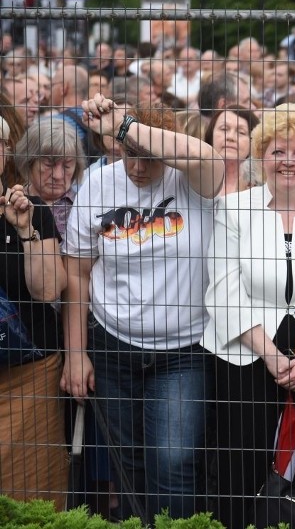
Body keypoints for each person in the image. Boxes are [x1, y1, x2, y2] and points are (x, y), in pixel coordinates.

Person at [61, 96, 224, 523]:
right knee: (127, 464)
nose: (137, 167)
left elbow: (205, 154)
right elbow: (77, 274)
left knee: (173, 463)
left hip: (182, 351)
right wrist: (76, 353)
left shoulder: (192, 179)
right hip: (113, 344)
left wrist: (125, 124)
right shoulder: (98, 184)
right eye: (129, 155)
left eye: (148, 157)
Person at [202, 103, 295, 529]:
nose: (289, 161)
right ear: (261, 154)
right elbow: (224, 289)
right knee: (240, 469)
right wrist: (269, 355)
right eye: (278, 150)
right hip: (244, 356)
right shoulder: (234, 210)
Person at [0, 123, 68, 511]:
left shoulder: (32, 209)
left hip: (29, 374)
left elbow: (48, 291)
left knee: (32, 496)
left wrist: (26, 232)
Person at [14, 119, 87, 236]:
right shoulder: (13, 203)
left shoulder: (84, 207)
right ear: (29, 162)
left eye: (67, 166)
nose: (57, 175)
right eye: (49, 164)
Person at [203, 105, 259, 195]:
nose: (230, 137)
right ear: (210, 136)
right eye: (224, 129)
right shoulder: (195, 178)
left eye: (241, 132)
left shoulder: (262, 186)